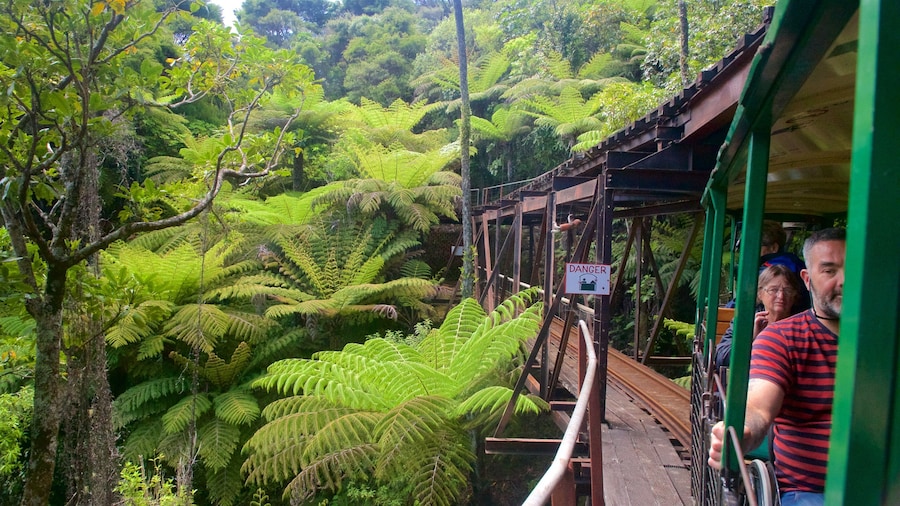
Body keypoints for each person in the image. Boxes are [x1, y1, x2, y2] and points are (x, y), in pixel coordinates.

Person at [708, 227, 845, 506]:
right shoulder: (774, 335)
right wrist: (742, 429)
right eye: (830, 271)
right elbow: (758, 405)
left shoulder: (885, 338)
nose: (845, 280)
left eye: (785, 291)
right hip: (813, 489)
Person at [714, 264, 804, 369]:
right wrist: (752, 340)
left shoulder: (802, 326)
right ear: (760, 294)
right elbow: (721, 358)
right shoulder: (746, 321)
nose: (781, 296)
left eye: (787, 290)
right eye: (773, 290)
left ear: (794, 295)